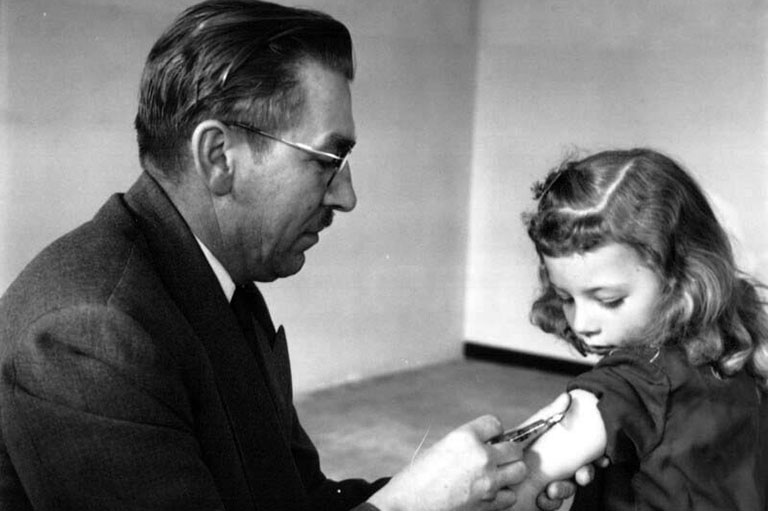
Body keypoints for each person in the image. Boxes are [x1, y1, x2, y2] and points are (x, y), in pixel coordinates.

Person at [0, 1, 589, 510]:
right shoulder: (90, 333)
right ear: (219, 157)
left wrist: (483, 493)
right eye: (326, 160)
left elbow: (296, 501)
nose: (347, 195)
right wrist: (409, 503)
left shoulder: (219, 283)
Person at [507, 148, 768, 510]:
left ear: (679, 277)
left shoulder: (635, 380)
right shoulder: (738, 339)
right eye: (565, 297)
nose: (581, 323)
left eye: (609, 300)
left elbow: (522, 477)